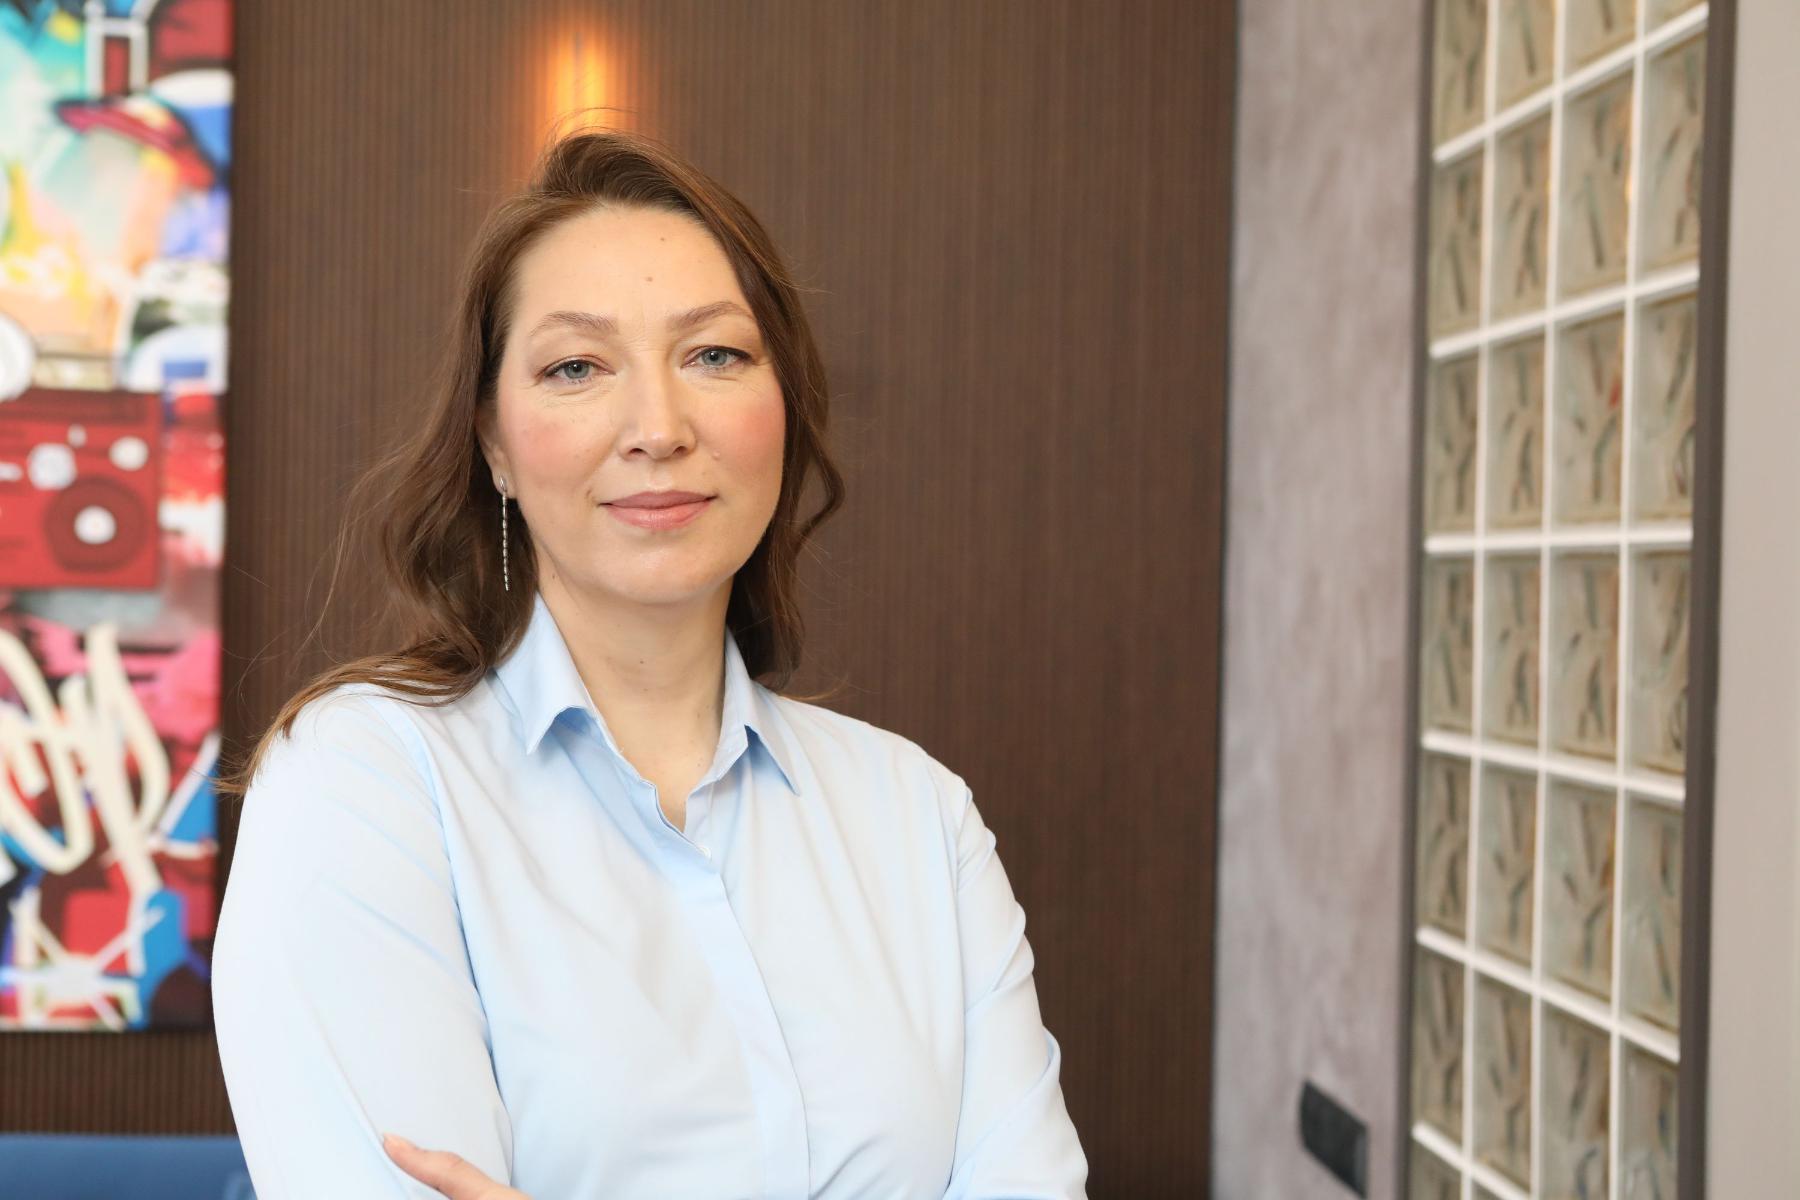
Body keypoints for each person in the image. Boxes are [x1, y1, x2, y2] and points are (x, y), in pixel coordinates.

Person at [209, 126, 1088, 1199]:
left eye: (714, 355)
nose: (659, 428)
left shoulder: (919, 817)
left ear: (784, 408)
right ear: (493, 443)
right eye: (576, 367)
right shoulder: (364, 782)